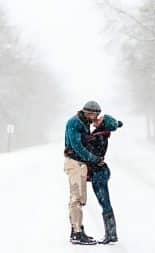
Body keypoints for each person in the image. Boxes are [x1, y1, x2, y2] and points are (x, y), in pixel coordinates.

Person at [63, 101, 104, 245]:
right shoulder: (74, 123)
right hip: (74, 163)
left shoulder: (84, 122)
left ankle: (78, 229)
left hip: (81, 164)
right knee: (76, 198)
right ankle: (76, 233)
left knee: (81, 199)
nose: (95, 117)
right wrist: (93, 159)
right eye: (94, 114)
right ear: (88, 112)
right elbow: (77, 146)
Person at [86, 114, 123, 244]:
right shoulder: (99, 134)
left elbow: (94, 154)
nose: (97, 118)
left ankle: (111, 234)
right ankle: (111, 234)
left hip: (99, 173)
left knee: (105, 203)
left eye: (100, 118)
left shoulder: (100, 136)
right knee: (104, 202)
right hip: (99, 172)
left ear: (103, 123)